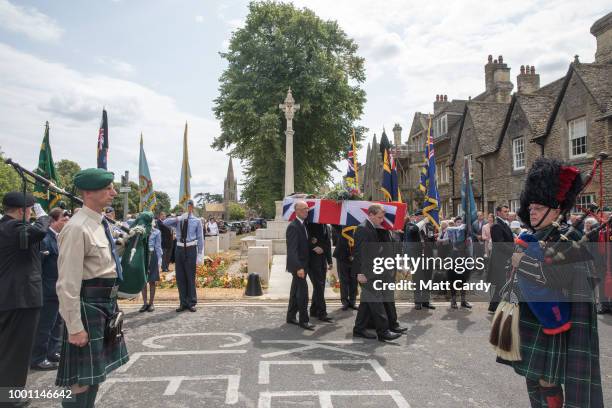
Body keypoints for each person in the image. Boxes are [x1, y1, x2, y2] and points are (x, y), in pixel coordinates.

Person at [504, 157, 603, 408]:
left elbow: (568, 279)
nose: (531, 212)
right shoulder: (533, 236)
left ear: (557, 209)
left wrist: (522, 263)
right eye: (531, 207)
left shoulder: (571, 238)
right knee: (532, 379)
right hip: (531, 319)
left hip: (557, 322)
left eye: (538, 207)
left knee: (548, 382)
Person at [55, 168, 129, 407]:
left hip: (103, 306)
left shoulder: (99, 223)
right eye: (107, 188)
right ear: (88, 192)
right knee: (80, 379)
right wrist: (74, 326)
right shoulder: (76, 228)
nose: (114, 192)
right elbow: (67, 283)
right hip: (87, 308)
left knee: (95, 375)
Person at [0, 192, 50, 407]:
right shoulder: (13, 227)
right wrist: (43, 215)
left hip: (11, 296)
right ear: (22, 211)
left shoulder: (5, 227)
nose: (31, 214)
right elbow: (38, 232)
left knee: (7, 349)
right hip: (20, 298)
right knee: (16, 352)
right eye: (30, 210)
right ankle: (9, 398)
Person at [352, 204, 402, 342]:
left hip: (373, 271)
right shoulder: (363, 229)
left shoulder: (372, 228)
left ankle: (359, 329)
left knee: (366, 303)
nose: (382, 220)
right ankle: (383, 331)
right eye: (379, 217)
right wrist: (360, 273)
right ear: (371, 215)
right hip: (366, 273)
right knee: (377, 302)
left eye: (382, 217)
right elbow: (358, 253)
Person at [30, 208, 70, 371]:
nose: (66, 222)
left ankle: (53, 352)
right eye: (63, 220)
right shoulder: (45, 239)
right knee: (45, 325)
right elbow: (38, 267)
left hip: (58, 289)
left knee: (57, 323)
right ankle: (38, 358)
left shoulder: (58, 238)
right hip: (47, 290)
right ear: (53, 221)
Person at [163, 200, 204, 312]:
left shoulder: (197, 221)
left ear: (193, 207)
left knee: (190, 276)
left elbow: (200, 238)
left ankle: (191, 302)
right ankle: (183, 302)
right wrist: (178, 218)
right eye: (186, 206)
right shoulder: (178, 220)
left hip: (191, 248)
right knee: (180, 277)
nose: (188, 208)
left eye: (190, 206)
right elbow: (165, 222)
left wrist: (200, 253)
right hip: (179, 248)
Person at [285, 200, 315, 330]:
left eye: (307, 209)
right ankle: (304, 321)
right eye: (303, 209)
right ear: (296, 211)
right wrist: (299, 268)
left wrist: (311, 241)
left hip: (303, 264)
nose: (306, 211)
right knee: (303, 293)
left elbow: (302, 243)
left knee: (294, 291)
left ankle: (291, 316)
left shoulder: (303, 225)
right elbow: (292, 250)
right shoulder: (293, 226)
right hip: (299, 266)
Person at [488, 204, 514, 313]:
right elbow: (500, 243)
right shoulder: (496, 225)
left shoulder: (504, 224)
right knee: (501, 283)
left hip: (505, 257)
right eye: (505, 211)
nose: (507, 213)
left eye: (508, 211)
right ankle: (495, 306)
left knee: (502, 283)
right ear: (498, 213)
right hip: (500, 258)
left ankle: (494, 306)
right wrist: (513, 250)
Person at [307, 222, 334, 322]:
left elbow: (328, 244)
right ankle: (322, 313)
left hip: (322, 261)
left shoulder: (327, 227)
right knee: (319, 286)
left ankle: (313, 310)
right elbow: (304, 239)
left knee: (320, 286)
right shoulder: (310, 224)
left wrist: (329, 261)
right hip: (312, 261)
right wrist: (313, 246)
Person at [446, 217, 472, 309]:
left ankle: (463, 301)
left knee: (463, 279)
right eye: (458, 222)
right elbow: (445, 243)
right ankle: (453, 301)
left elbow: (469, 245)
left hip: (464, 257)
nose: (460, 224)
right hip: (453, 257)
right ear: (455, 223)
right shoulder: (450, 231)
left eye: (461, 222)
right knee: (453, 279)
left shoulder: (465, 233)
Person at [333, 225, 358, 311]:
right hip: (342, 257)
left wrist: (354, 255)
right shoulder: (341, 225)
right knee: (344, 280)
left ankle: (352, 301)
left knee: (354, 280)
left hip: (355, 258)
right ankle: (345, 302)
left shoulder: (359, 225)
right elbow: (334, 223)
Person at [140, 222, 162, 312]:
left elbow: (158, 246)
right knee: (143, 281)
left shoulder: (156, 232)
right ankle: (145, 303)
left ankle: (151, 303)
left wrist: (159, 261)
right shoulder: (140, 231)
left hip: (152, 255)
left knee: (152, 280)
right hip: (142, 256)